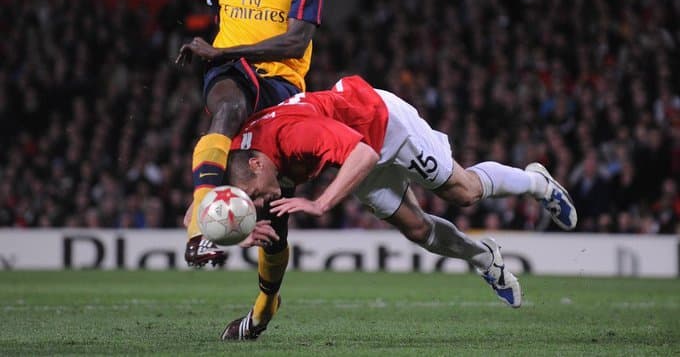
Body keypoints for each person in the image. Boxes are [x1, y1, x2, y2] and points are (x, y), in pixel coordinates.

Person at [221, 75, 577, 340]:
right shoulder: (244, 155)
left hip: (384, 125)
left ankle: (537, 182)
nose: (261, 203)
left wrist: (321, 203)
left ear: (256, 164)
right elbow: (214, 201)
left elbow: (364, 153)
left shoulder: (293, 136)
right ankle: (484, 258)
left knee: (464, 192)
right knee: (417, 229)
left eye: (255, 195)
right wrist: (240, 231)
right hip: (354, 148)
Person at [175, 0, 327, 269]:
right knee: (227, 108)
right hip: (231, 71)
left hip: (282, 84)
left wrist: (222, 50)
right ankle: (198, 230)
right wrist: (221, 56)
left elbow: (295, 43)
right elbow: (223, 24)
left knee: (275, 219)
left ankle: (266, 300)